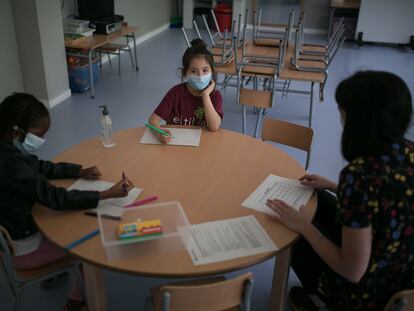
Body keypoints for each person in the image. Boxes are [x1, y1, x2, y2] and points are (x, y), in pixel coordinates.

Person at [267, 71, 414, 310]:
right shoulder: (408, 150)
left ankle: (319, 299)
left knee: (292, 234)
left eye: (343, 113)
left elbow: (353, 271)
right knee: (316, 196)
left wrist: (304, 226)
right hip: (403, 271)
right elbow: (391, 198)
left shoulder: (358, 176)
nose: (341, 118)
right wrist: (335, 187)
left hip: (372, 292)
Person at [0, 92, 134, 269]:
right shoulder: (11, 164)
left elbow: (39, 166)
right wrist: (107, 194)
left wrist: (78, 171)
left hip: (18, 225)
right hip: (25, 246)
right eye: (38, 135)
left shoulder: (8, 148)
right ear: (17, 132)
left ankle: (61, 275)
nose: (41, 141)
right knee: (86, 242)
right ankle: (80, 288)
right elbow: (55, 197)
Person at [148, 39, 223, 144]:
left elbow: (214, 126)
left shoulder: (215, 96)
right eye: (193, 71)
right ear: (185, 72)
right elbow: (153, 120)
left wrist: (205, 95)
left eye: (205, 70)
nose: (200, 76)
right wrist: (159, 133)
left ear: (212, 71)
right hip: (176, 147)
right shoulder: (175, 93)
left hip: (203, 146)